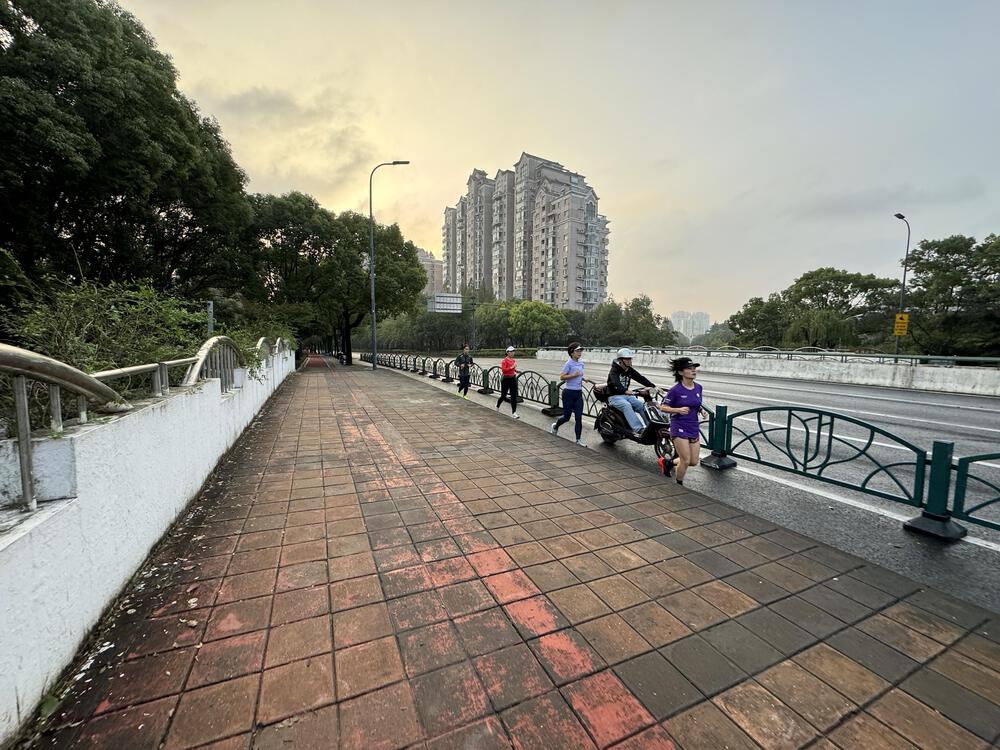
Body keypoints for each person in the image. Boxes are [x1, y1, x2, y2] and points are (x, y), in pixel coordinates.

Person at [659, 356, 708, 485]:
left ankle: (667, 462)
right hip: (679, 425)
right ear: (681, 372)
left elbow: (695, 403)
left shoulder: (699, 388)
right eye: (689, 369)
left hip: (693, 426)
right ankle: (679, 485)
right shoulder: (675, 390)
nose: (694, 371)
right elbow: (663, 407)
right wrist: (678, 410)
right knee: (685, 460)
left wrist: (701, 410)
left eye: (694, 368)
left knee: (693, 461)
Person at [606, 348, 657, 438]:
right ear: (621, 360)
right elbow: (615, 382)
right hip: (614, 397)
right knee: (626, 405)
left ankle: (650, 427)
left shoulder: (629, 369)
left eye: (630, 359)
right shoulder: (614, 370)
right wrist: (624, 390)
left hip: (625, 395)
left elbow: (640, 378)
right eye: (627, 359)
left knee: (641, 405)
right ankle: (639, 429)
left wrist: (653, 386)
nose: (629, 361)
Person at [550, 342, 593, 446]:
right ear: (571, 352)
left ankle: (578, 440)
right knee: (566, 417)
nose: (580, 353)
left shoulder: (581, 363)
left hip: (578, 393)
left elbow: (579, 375)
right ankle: (555, 426)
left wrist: (584, 378)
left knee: (579, 417)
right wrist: (574, 375)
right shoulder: (568, 364)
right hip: (568, 393)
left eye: (580, 350)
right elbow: (562, 377)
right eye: (577, 351)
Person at [496, 345, 520, 419]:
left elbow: (513, 369)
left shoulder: (513, 360)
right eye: (512, 351)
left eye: (514, 351)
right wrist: (512, 367)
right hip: (506, 379)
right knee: (503, 395)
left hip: (513, 379)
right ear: (508, 352)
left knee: (514, 396)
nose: (513, 353)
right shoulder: (504, 361)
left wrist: (515, 370)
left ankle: (514, 412)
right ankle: (497, 406)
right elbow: (504, 370)